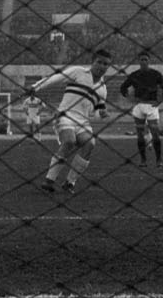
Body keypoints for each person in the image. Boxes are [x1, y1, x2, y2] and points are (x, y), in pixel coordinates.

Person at [28, 48, 112, 194]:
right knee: (69, 141)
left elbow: (97, 113)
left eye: (106, 64)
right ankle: (49, 180)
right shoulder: (78, 72)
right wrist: (37, 86)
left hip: (83, 121)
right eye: (99, 62)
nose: (102, 66)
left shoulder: (103, 89)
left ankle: (69, 183)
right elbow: (57, 77)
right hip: (65, 115)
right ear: (92, 62)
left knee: (90, 144)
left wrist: (102, 113)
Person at [119, 51, 163, 168]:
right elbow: (123, 87)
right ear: (139, 61)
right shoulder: (134, 75)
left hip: (151, 106)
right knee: (140, 135)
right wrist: (129, 98)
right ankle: (143, 160)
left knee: (155, 134)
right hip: (138, 107)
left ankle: (159, 160)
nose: (143, 61)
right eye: (141, 59)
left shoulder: (155, 74)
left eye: (145, 60)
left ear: (149, 61)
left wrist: (160, 101)